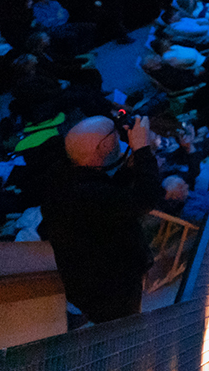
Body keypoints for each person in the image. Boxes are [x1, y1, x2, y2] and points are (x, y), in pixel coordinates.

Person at [40, 114, 165, 323]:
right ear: (103, 147)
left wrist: (128, 168)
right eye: (116, 136)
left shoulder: (65, 184)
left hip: (90, 287)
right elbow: (145, 199)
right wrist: (143, 151)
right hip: (112, 291)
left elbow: (109, 197)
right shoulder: (89, 196)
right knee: (124, 331)